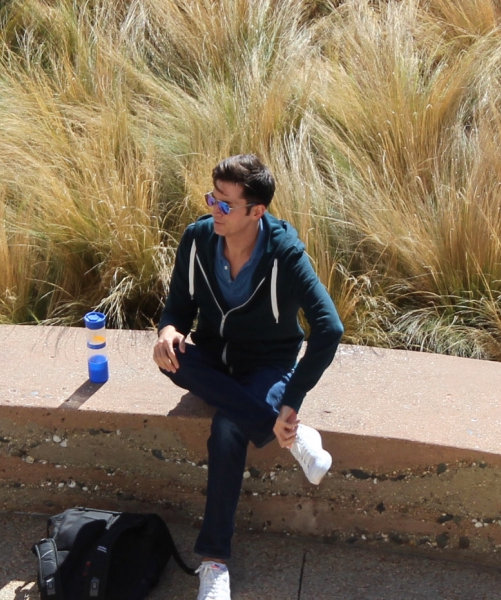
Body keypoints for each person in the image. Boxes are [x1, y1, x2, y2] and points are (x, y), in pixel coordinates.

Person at [153, 154, 343, 600]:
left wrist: (291, 399)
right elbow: (177, 307)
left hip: (268, 363)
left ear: (256, 211)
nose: (213, 211)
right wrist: (166, 332)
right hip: (214, 355)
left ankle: (213, 563)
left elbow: (329, 328)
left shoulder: (285, 253)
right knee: (174, 359)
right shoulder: (198, 239)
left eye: (224, 205)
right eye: (211, 199)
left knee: (226, 425)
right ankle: (292, 437)